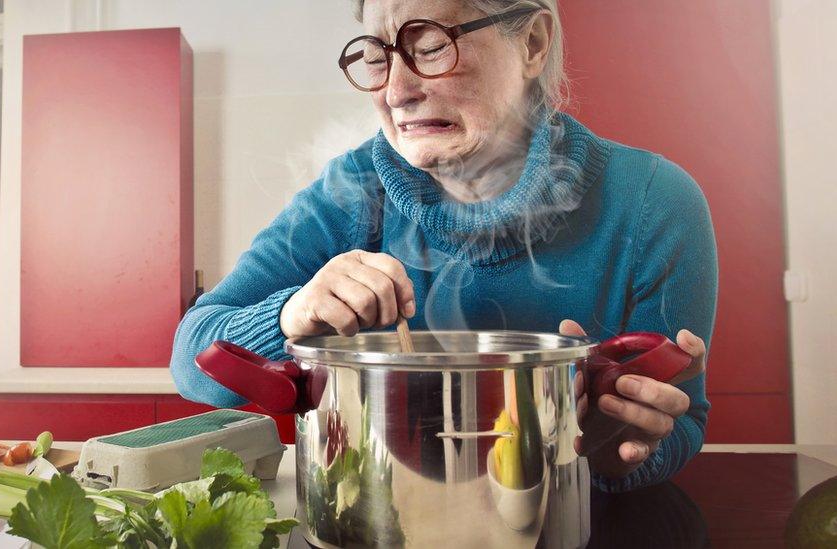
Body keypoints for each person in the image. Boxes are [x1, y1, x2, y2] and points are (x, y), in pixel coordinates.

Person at [170, 0, 717, 493]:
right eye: (379, 58)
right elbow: (191, 359)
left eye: (431, 47)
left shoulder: (651, 200)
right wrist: (291, 313)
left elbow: (681, 421)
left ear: (532, 44)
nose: (395, 92)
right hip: (376, 512)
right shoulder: (351, 191)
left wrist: (613, 447)